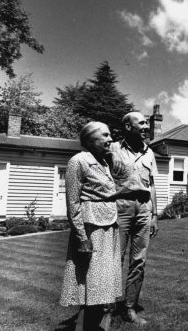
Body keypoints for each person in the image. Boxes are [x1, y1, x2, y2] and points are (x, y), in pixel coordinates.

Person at [59, 121, 121, 331]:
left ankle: (92, 327)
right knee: (91, 285)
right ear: (90, 139)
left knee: (101, 286)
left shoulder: (104, 162)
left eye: (110, 135)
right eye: (104, 135)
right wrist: (82, 237)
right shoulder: (78, 161)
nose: (110, 139)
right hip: (90, 228)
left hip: (109, 227)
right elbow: (73, 203)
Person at [110, 112, 159, 326]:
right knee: (114, 259)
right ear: (128, 127)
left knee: (139, 261)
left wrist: (155, 214)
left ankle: (129, 308)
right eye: (141, 123)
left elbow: (152, 184)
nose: (146, 126)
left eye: (146, 122)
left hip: (144, 208)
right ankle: (107, 309)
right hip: (120, 207)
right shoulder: (112, 149)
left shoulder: (149, 153)